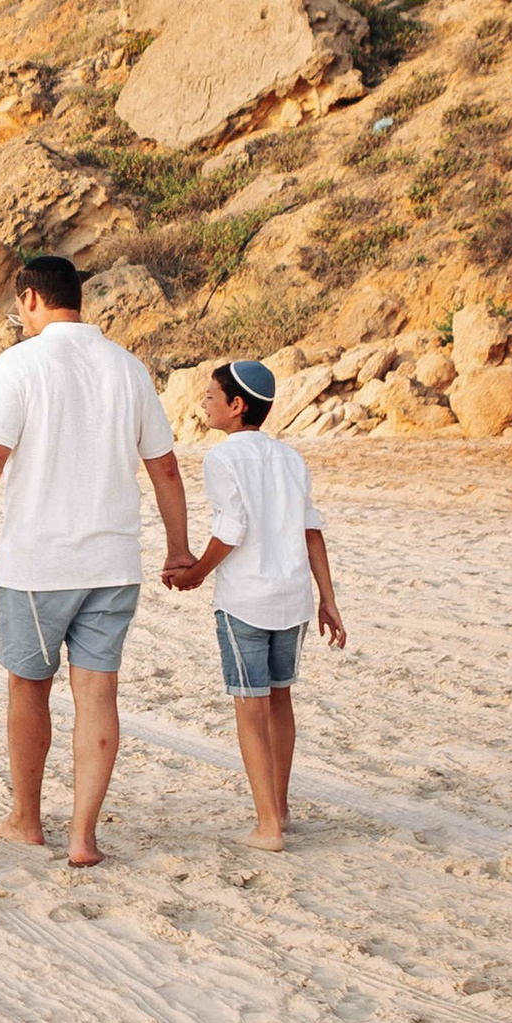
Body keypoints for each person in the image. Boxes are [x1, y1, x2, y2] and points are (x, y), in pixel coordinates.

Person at [0, 250, 192, 869]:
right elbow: (164, 466)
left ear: (30, 298)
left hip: (37, 563)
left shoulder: (20, 364)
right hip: (113, 561)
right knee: (98, 692)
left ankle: (26, 820)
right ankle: (82, 837)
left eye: (18, 305)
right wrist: (178, 547)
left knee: (29, 688)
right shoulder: (128, 367)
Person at [164, 360, 346, 851]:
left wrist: (195, 574)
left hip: (245, 600)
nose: (204, 404)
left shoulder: (222, 458)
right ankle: (279, 809)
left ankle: (267, 827)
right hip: (293, 599)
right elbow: (311, 531)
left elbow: (231, 529)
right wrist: (328, 599)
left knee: (250, 707)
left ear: (236, 405)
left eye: (210, 396)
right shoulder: (290, 458)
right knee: (280, 699)